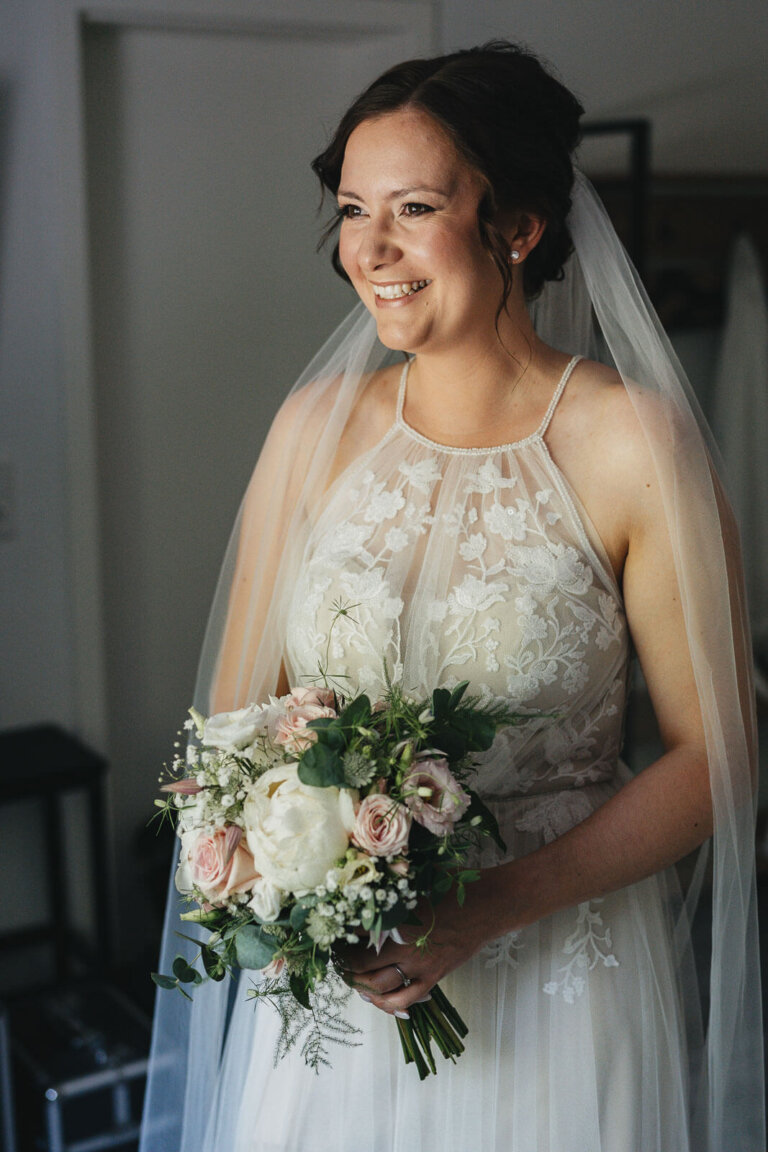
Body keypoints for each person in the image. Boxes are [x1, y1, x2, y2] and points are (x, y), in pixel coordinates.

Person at [140, 42, 763, 1152]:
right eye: (351, 210)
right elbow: (237, 723)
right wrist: (283, 871)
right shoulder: (313, 432)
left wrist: (487, 907)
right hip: (340, 998)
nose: (370, 250)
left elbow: (718, 757)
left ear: (516, 226)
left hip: (561, 977)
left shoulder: (633, 444)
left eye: (414, 207)